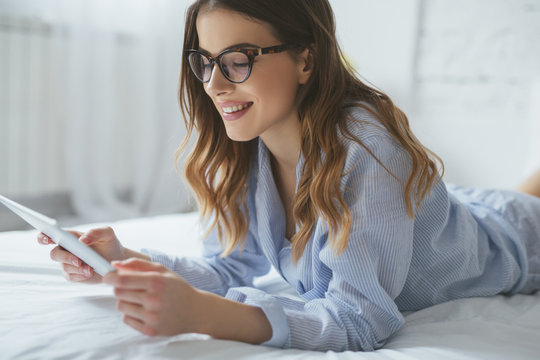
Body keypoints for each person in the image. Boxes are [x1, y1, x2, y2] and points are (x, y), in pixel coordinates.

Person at [38, 0, 540, 352]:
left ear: (305, 59)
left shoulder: (367, 147)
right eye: (205, 61)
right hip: (459, 210)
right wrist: (123, 258)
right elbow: (228, 269)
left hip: (514, 239)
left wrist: (206, 316)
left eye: (238, 60)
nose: (214, 84)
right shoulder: (247, 149)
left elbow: (360, 318)